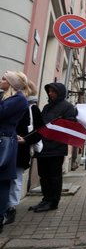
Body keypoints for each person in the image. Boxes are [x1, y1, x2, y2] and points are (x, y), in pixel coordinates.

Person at [30, 82, 77, 213]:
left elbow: (70, 126)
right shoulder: (46, 107)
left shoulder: (68, 107)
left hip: (56, 148)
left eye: (53, 91)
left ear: (60, 93)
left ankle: (53, 202)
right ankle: (45, 199)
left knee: (54, 176)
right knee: (43, 175)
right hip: (43, 148)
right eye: (49, 91)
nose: (50, 94)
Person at [7, 80, 43, 225]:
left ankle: (11, 208)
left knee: (15, 180)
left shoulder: (32, 108)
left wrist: (25, 140)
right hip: (6, 145)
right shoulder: (9, 102)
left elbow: (39, 131)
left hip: (19, 149)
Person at [0, 71, 29, 232]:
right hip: (5, 139)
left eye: (4, 79)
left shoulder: (18, 99)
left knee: (3, 181)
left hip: (3, 143)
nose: (0, 80)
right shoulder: (8, 98)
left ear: (11, 84)